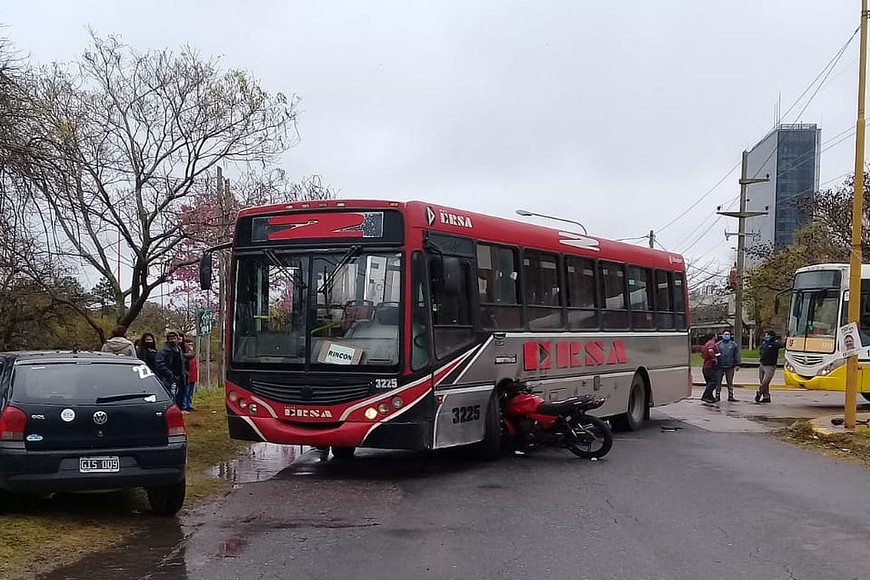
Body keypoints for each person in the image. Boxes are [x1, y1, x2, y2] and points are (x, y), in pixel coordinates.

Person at [154, 330, 187, 401]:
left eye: (174, 338)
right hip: (168, 377)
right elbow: (159, 364)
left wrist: (184, 373)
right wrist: (169, 373)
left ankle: (180, 408)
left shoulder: (179, 349)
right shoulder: (163, 350)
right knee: (171, 394)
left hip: (180, 376)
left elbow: (182, 362)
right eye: (171, 339)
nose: (173, 340)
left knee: (180, 394)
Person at [756, 329, 783, 404]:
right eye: (765, 335)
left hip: (770, 366)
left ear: (771, 336)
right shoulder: (763, 344)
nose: (766, 336)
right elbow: (760, 352)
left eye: (767, 335)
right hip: (762, 364)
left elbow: (782, 345)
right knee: (762, 381)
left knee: (765, 381)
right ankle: (766, 397)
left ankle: (759, 393)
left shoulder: (775, 344)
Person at [715, 330, 741, 402]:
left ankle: (731, 396)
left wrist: (737, 364)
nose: (727, 336)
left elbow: (737, 355)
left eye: (728, 334)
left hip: (730, 366)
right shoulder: (718, 345)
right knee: (718, 382)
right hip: (720, 366)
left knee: (730, 382)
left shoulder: (733, 345)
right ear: (722, 335)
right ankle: (717, 396)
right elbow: (715, 355)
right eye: (725, 334)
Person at [699, 332, 721, 403]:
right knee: (713, 381)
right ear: (713, 336)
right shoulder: (712, 343)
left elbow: (701, 355)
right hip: (710, 366)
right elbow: (710, 350)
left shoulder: (706, 344)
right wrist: (714, 358)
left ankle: (710, 397)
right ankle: (705, 396)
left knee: (709, 382)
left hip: (706, 366)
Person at [180, 337, 198, 412]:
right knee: (186, 392)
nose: (191, 346)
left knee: (190, 392)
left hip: (193, 376)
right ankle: (184, 405)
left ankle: (189, 405)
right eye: (189, 344)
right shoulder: (184, 355)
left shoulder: (193, 354)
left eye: (192, 345)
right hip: (187, 376)